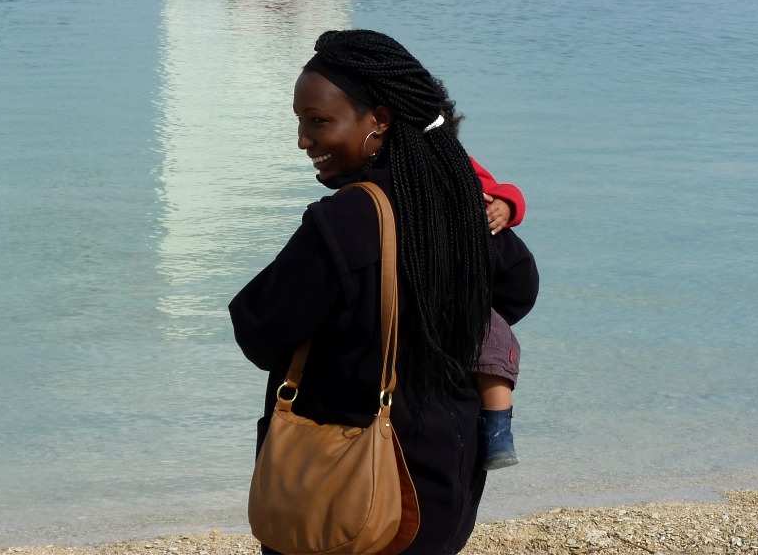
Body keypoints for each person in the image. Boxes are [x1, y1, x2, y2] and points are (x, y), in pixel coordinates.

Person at [229, 30, 539, 555]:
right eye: (301, 121)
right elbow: (517, 287)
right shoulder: (465, 206)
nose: (303, 140)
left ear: (380, 120)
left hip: (343, 483)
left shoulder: (343, 223)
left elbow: (261, 331)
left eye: (319, 121)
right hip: (443, 482)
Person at [470, 157, 526, 470]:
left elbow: (509, 192)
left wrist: (505, 206)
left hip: (478, 287)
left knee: (493, 347)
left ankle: (498, 429)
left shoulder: (462, 165)